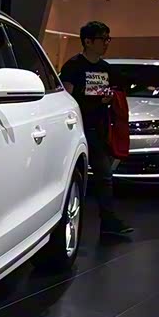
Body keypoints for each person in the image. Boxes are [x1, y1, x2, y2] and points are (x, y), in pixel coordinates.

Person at [61, 21, 134, 236]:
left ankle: (107, 220)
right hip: (78, 127)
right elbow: (67, 98)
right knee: (84, 176)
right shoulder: (73, 66)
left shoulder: (106, 68)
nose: (106, 43)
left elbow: (116, 91)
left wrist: (109, 99)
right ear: (88, 41)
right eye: (103, 39)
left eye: (108, 39)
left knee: (104, 175)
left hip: (99, 128)